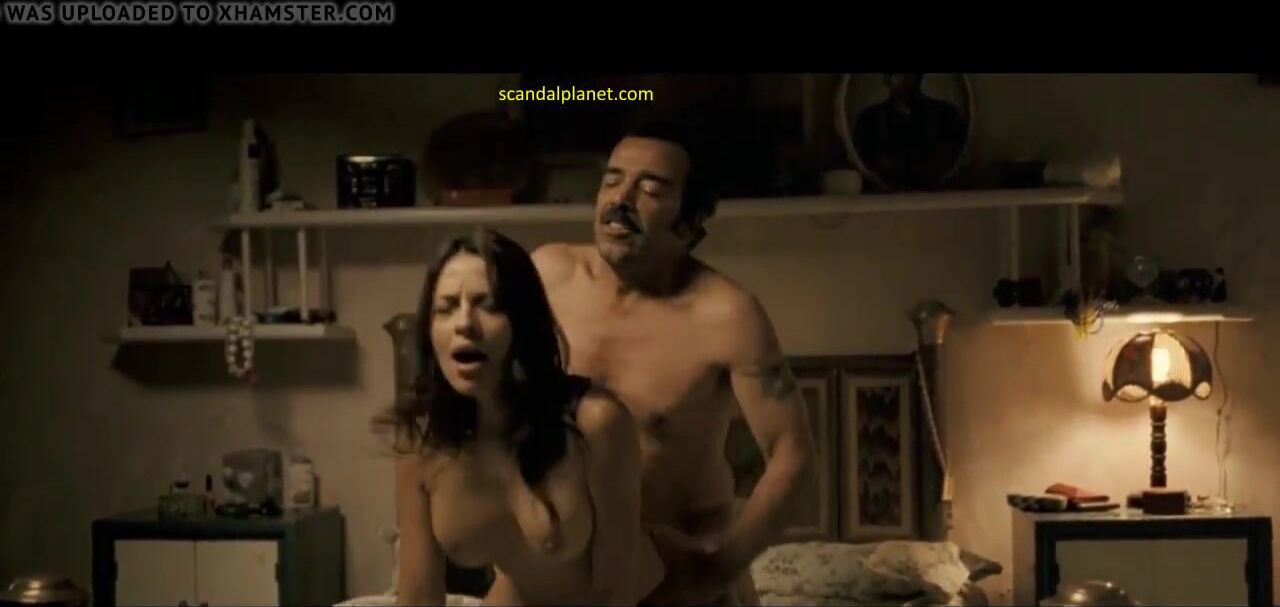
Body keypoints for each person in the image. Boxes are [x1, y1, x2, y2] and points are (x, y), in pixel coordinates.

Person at [532, 121, 817, 605]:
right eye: (612, 179)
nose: (620, 199)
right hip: (568, 570)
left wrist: (717, 568)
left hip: (679, 574)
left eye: (651, 190)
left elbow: (794, 456)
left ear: (690, 221)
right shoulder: (546, 277)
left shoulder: (725, 315)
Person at [376, 228, 665, 606]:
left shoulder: (594, 422)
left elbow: (617, 585)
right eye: (445, 308)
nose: (464, 323)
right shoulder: (422, 440)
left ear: (523, 322)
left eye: (488, 305)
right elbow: (418, 594)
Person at [852, 73, 967, 191]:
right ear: (887, 78)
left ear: (920, 77)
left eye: (909, 75)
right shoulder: (868, 119)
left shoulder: (946, 115)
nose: (904, 81)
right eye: (897, 75)